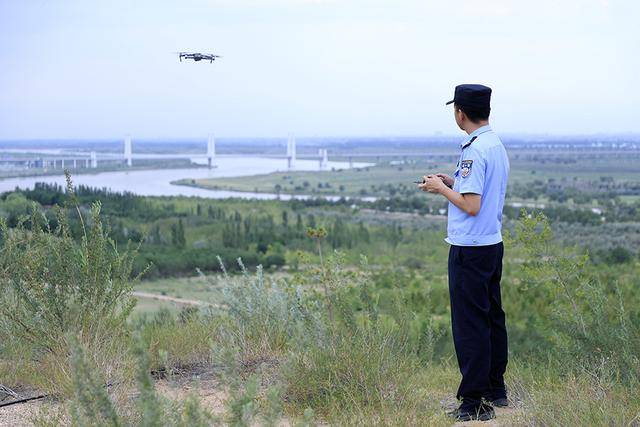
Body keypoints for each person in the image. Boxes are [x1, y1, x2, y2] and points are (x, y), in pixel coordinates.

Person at [418, 84, 510, 422]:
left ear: (461, 113)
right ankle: (495, 389)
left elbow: (471, 205)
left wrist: (441, 188)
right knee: (491, 318)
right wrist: (453, 181)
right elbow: (476, 192)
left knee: (470, 324)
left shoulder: (473, 151)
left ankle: (474, 402)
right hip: (491, 244)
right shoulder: (494, 144)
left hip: (469, 249)